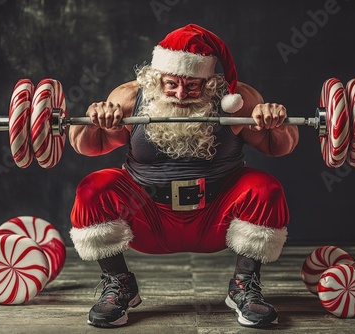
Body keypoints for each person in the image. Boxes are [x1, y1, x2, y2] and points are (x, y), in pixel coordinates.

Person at [69, 23, 299, 328]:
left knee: (265, 187)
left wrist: (278, 124)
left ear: (210, 80)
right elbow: (87, 146)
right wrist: (94, 120)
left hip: (215, 218)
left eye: (193, 86)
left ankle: (245, 287)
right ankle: (119, 285)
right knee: (94, 188)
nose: (181, 94)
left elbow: (278, 147)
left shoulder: (238, 100)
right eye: (172, 84)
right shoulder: (129, 97)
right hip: (148, 218)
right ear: (156, 77)